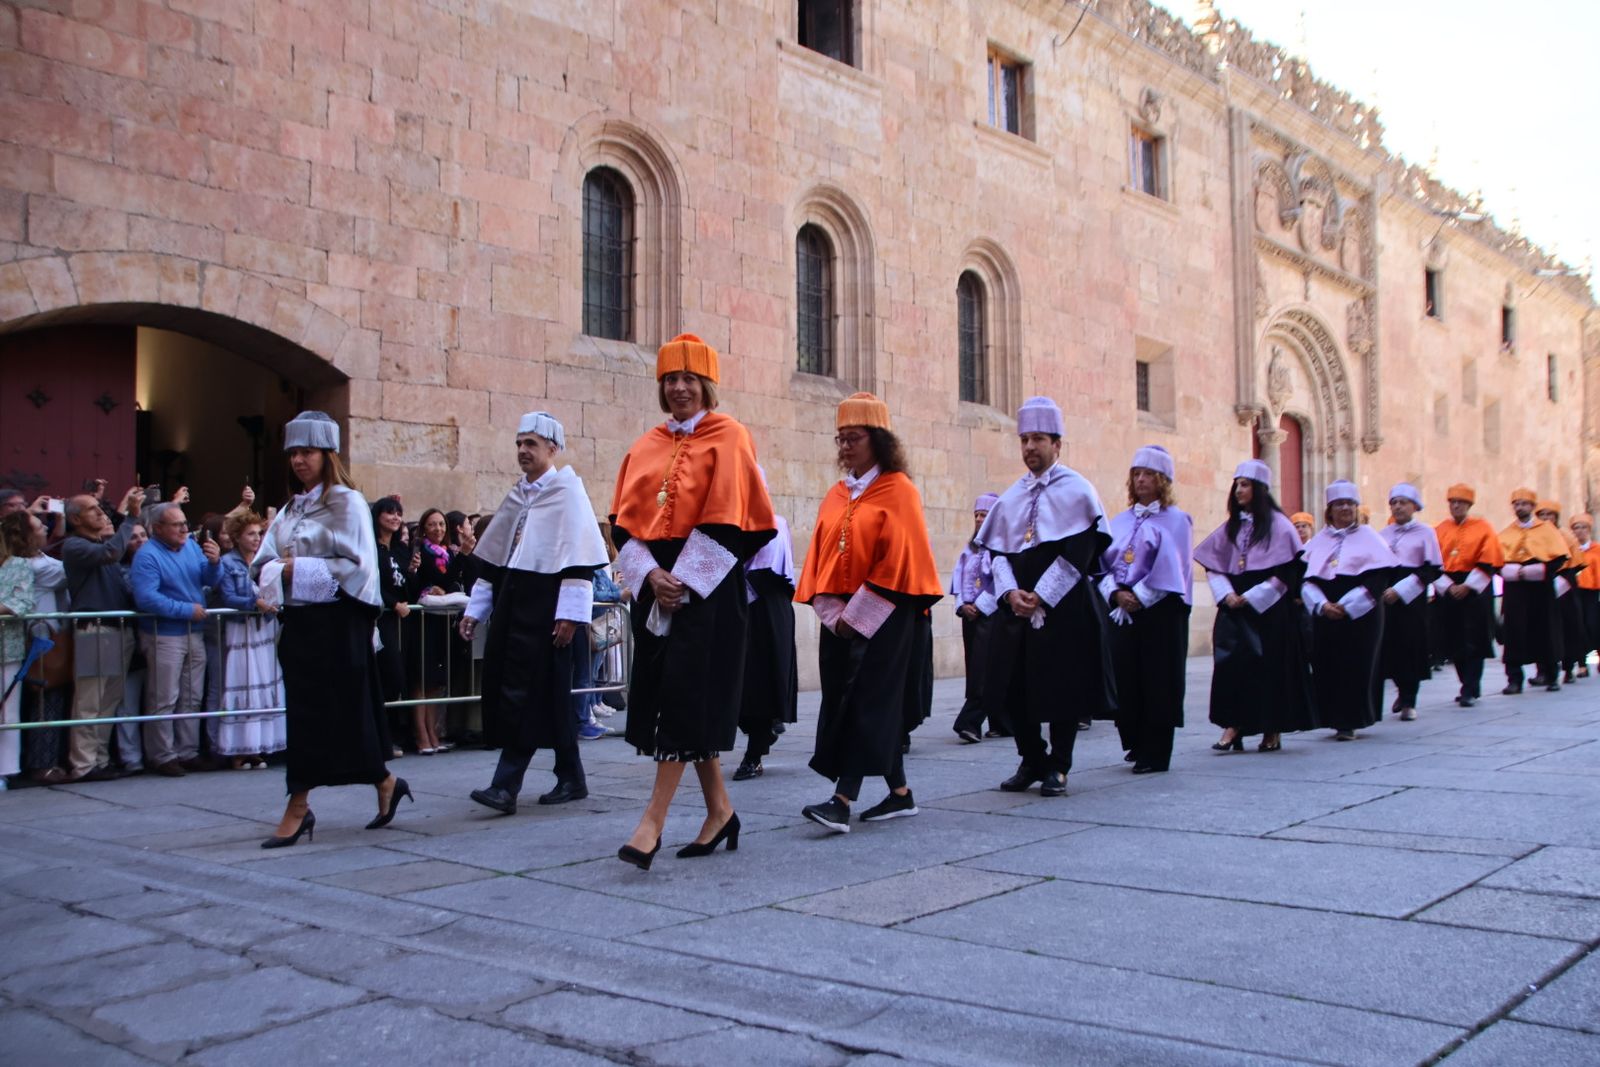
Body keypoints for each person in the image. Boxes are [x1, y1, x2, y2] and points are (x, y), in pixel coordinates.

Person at [609, 334, 775, 868]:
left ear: (706, 386)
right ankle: (720, 811)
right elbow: (623, 526)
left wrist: (683, 583)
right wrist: (653, 576)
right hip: (657, 585)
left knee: (682, 701)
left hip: (707, 589)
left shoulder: (731, 438)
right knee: (674, 698)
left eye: (689, 380)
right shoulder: (644, 444)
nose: (680, 388)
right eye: (670, 380)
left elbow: (735, 523)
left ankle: (650, 823)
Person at [252, 411, 410, 847]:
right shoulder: (289, 508)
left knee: (345, 713)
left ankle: (300, 805)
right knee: (307, 715)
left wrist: (293, 567)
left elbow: (359, 567)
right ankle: (382, 782)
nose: (299, 460)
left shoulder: (348, 502)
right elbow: (259, 561)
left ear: (327, 455)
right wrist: (278, 571)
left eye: (307, 452)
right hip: (300, 623)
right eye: (293, 453)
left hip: (339, 624)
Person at [795, 394, 943, 831]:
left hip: (887, 617)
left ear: (878, 441)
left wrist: (856, 615)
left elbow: (900, 561)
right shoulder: (836, 495)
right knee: (848, 698)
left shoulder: (900, 491)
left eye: (853, 439)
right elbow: (821, 556)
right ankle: (901, 794)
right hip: (839, 619)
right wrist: (832, 610)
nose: (844, 448)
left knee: (865, 700)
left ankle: (841, 800)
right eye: (840, 440)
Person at [461, 411, 608, 814]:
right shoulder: (518, 496)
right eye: (519, 443)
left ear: (552, 448)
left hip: (549, 610)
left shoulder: (568, 492)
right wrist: (476, 609)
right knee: (548, 698)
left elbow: (579, 563)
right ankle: (572, 777)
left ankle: (505, 786)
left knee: (529, 694)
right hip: (514, 605)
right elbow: (494, 561)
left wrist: (570, 616)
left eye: (532, 444)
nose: (523, 451)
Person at [975, 396, 1115, 797]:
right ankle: (1031, 757)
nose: (1030, 448)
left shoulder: (1078, 490)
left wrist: (1040, 597)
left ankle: (1059, 765)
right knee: (1010, 685)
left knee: (1062, 687)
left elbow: (1080, 554)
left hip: (1064, 606)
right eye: (1024, 440)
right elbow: (997, 552)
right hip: (1016, 606)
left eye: (1038, 439)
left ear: (1057, 444)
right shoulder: (1012, 496)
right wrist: (1009, 593)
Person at [1194, 460, 1315, 752]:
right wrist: (1226, 595)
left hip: (1269, 611)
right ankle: (1233, 725)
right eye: (1236, 484)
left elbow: (1287, 572)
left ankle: (1271, 728)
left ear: (1260, 489)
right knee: (1231, 668)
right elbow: (1214, 566)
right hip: (1234, 608)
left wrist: (1255, 597)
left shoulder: (1281, 527)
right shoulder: (1230, 528)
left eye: (1245, 484)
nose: (1238, 490)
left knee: (1271, 668)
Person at [1100, 446, 1192, 774]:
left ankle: (1156, 751)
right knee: (1127, 678)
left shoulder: (1177, 521)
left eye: (1148, 475)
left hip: (1161, 612)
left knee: (1159, 681)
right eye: (1136, 474)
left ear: (1162, 481)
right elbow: (1100, 565)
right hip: (1121, 612)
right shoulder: (1120, 521)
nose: (1141, 480)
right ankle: (1135, 743)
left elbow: (1175, 567)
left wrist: (1138, 595)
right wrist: (1115, 594)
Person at [1300, 482, 1399, 740]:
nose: (1345, 508)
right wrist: (1322, 605)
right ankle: (1332, 717)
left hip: (1362, 614)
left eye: (1350, 504)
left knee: (1357, 665)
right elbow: (1305, 580)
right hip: (1325, 612)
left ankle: (1352, 720)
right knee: (1327, 664)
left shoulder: (1370, 538)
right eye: (1339, 504)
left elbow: (1378, 580)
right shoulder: (1318, 540)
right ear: (1329, 510)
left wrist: (1347, 606)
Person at [60, 487, 146, 781]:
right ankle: (83, 763)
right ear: (75, 519)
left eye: (100, 507)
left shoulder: (101, 545)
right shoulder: (75, 546)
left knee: (108, 700)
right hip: (93, 630)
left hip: (116, 629)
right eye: (92, 510)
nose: (100, 513)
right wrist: (130, 518)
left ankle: (99, 758)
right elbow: (110, 553)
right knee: (89, 700)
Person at [130, 502, 221, 776]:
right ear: (157, 528)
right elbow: (146, 597)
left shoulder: (191, 547)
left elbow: (207, 577)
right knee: (164, 696)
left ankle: (188, 750)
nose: (184, 529)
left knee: (192, 695)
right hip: (165, 634)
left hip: (193, 632)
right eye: (176, 524)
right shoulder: (147, 556)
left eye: (184, 523)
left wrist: (216, 563)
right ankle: (162, 755)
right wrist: (184, 610)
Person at [208, 510, 286, 768]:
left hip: (262, 629)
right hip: (240, 631)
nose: (256, 538)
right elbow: (228, 597)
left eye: (259, 533)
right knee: (242, 682)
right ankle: (237, 750)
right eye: (250, 534)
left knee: (263, 683)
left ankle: (258, 746)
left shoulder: (264, 562)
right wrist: (255, 603)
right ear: (237, 537)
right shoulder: (229, 563)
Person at [733, 471, 798, 780]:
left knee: (760, 682)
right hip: (739, 611)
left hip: (765, 612)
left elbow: (765, 572)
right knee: (739, 685)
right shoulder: (729, 524)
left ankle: (755, 751)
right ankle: (761, 731)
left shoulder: (776, 522)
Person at [6, 511, 71, 783]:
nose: (45, 528)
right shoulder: (32, 567)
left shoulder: (39, 560)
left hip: (44, 637)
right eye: (38, 526)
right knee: (44, 700)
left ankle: (43, 761)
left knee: (45, 700)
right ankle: (40, 763)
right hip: (40, 639)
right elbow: (68, 571)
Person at [1376, 483, 1443, 721]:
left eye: (1402, 502)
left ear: (1414, 506)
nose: (1397, 507)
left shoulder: (1426, 533)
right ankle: (1400, 691)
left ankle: (1409, 700)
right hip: (1386, 598)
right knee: (1389, 648)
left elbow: (1431, 570)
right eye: (1393, 503)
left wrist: (1402, 590)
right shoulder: (1383, 534)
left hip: (1412, 599)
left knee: (1410, 647)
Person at [1432, 484, 1503, 707]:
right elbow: (1433, 562)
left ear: (1469, 505)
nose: (1456, 506)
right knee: (1454, 640)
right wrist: (1447, 585)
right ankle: (1466, 683)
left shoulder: (1483, 528)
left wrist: (1468, 586)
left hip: (1475, 590)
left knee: (1474, 640)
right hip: (1449, 587)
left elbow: (1489, 560)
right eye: (1452, 502)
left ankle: (1470, 688)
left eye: (1460, 502)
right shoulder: (1440, 529)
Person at [1498, 487, 1569, 694]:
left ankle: (1551, 675)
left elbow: (1559, 558)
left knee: (1545, 629)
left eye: (1524, 504)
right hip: (1515, 589)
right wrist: (1508, 570)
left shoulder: (1548, 530)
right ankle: (1514, 679)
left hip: (1541, 588)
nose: (1520, 507)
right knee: (1514, 632)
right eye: (1517, 504)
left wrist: (1538, 570)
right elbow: (1494, 560)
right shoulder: (1506, 533)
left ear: (1532, 507)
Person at [405, 507, 462, 754]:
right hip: (422, 620)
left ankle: (434, 731)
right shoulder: (418, 552)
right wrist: (421, 579)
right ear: (424, 528)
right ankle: (421, 734)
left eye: (441, 524)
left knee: (436, 681)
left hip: (442, 619)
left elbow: (450, 581)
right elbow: (413, 586)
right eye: (432, 525)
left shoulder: (449, 554)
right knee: (421, 678)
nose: (438, 529)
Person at [950, 492, 1004, 744]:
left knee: (985, 668)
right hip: (970, 617)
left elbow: (1001, 581)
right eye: (977, 515)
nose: (980, 520)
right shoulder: (969, 550)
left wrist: (980, 606)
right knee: (976, 667)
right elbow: (958, 579)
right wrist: (963, 604)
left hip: (990, 616)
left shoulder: (1002, 547)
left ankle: (969, 721)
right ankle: (1002, 721)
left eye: (984, 515)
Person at [370, 496, 413, 756]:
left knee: (397, 680)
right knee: (387, 676)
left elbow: (405, 583)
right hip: (381, 619)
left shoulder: (400, 550)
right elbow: (372, 582)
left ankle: (389, 736)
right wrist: (393, 603)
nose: (395, 518)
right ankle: (379, 738)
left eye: (398, 513)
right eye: (389, 513)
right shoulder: (371, 549)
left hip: (401, 621)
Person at [0, 518, 38, 789]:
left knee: (7, 710)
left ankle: (6, 768)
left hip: (7, 647)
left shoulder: (19, 565)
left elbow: (23, 603)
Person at [1536, 500, 1588, 685]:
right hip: (1541, 585)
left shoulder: (1567, 537)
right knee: (1541, 629)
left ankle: (1568, 667)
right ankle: (1543, 670)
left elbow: (1575, 565)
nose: (1545, 518)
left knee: (1568, 627)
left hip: (1564, 586)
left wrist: (1561, 581)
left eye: (1549, 514)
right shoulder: (1535, 536)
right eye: (1542, 515)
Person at [1571, 513, 1599, 678]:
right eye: (1576, 528)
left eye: (1583, 527)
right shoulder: (1571, 550)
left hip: (1593, 592)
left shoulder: (1597, 550)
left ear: (1588, 530)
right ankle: (1581, 665)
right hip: (1575, 592)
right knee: (1578, 626)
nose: (1579, 531)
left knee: (1593, 625)